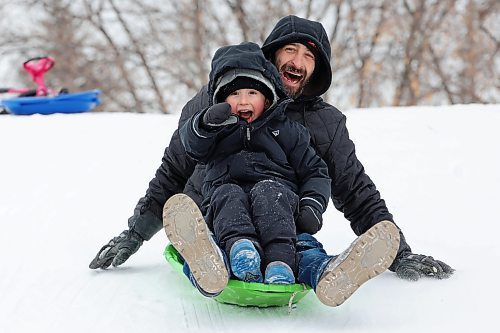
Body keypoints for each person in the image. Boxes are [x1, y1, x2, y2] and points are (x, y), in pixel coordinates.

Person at [89, 15, 453, 306]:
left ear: (317, 70)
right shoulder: (215, 103)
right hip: (217, 212)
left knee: (299, 243)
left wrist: (399, 253)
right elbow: (173, 171)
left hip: (282, 219)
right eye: (291, 51)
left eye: (309, 57)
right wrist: (135, 234)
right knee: (220, 220)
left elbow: (353, 187)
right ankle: (209, 258)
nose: (297, 62)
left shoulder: (322, 123)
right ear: (272, 55)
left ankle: (325, 271)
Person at [169, 42, 331, 289]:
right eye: (234, 94)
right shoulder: (216, 132)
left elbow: (315, 171)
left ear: (267, 99)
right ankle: (220, 263)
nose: (243, 101)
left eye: (252, 93)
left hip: (280, 215)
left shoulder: (288, 131)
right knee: (226, 194)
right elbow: (191, 144)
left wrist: (312, 205)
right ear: (222, 101)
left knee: (276, 201)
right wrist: (204, 123)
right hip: (226, 219)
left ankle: (313, 271)